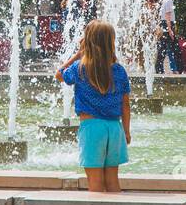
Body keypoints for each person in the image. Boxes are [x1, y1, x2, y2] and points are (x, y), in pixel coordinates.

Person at [55, 19, 132, 193]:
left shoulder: (80, 67)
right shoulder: (119, 71)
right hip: (115, 128)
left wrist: (77, 55)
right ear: (111, 43)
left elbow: (58, 74)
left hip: (91, 129)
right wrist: (126, 131)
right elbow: (125, 105)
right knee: (113, 181)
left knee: (95, 183)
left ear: (87, 42)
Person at [156, 0, 181, 74]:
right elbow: (168, 15)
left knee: (163, 47)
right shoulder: (169, 1)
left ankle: (160, 68)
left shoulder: (165, 0)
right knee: (170, 47)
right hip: (167, 24)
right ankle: (173, 69)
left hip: (164, 24)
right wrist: (170, 29)